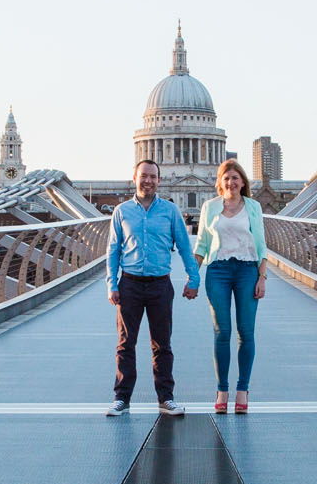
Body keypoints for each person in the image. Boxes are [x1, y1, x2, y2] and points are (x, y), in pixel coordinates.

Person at [106, 158, 200, 416]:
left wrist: (194, 279)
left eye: (152, 177)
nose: (147, 181)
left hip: (160, 284)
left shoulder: (170, 211)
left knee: (162, 344)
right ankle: (121, 398)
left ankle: (166, 398)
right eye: (143, 176)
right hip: (130, 284)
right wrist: (111, 283)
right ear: (134, 179)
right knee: (125, 344)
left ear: (159, 180)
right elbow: (113, 250)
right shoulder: (122, 211)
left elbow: (183, 246)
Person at [192, 157, 267, 414]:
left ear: (243, 181)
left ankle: (242, 390)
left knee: (246, 331)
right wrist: (193, 276)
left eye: (236, 178)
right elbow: (201, 244)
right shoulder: (209, 207)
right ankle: (222, 390)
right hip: (218, 270)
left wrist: (262, 277)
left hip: (247, 270)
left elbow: (261, 246)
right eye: (227, 178)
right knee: (221, 332)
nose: (231, 182)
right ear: (220, 182)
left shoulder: (254, 207)